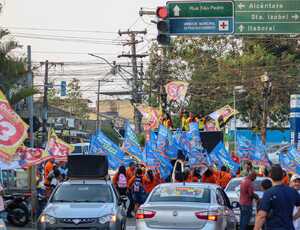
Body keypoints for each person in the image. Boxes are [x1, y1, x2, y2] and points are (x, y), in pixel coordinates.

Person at [254, 165, 300, 230]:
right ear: (282, 176)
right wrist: (294, 217)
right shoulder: (292, 191)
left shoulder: (269, 193)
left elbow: (261, 215)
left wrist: (256, 228)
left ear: (270, 176)